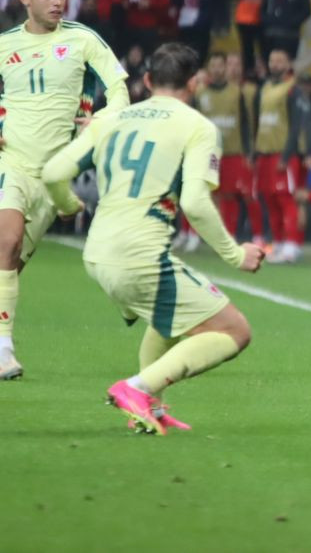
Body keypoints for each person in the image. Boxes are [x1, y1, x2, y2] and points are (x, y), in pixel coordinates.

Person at [42, 43, 265, 434]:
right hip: (138, 254)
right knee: (234, 330)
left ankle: (151, 411)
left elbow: (53, 172)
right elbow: (195, 203)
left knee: (169, 319)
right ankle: (136, 389)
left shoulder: (110, 120)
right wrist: (235, 254)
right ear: (194, 83)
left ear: (146, 81)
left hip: (97, 255)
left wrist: (68, 204)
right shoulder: (197, 127)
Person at [0, 0, 130, 381]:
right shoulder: (5, 45)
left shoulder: (83, 40)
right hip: (11, 161)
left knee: (12, 265)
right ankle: (4, 351)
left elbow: (119, 88)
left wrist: (106, 121)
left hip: (55, 172)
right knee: (7, 241)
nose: (58, 2)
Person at [196, 51, 263, 245]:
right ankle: (227, 236)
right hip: (211, 153)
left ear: (225, 68)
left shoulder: (237, 92)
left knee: (247, 194)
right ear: (209, 68)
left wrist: (249, 151)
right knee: (222, 195)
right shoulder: (201, 93)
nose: (217, 69)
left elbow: (245, 123)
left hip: (235, 152)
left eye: (220, 66)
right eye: (213, 65)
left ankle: (258, 236)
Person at [254, 48, 308, 263]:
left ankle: (293, 244)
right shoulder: (264, 88)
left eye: (280, 61)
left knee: (286, 199)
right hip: (264, 153)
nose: (275, 64)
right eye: (272, 60)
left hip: (282, 153)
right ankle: (278, 242)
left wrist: (286, 155)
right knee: (269, 199)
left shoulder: (293, 90)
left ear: (288, 63)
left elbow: (296, 125)